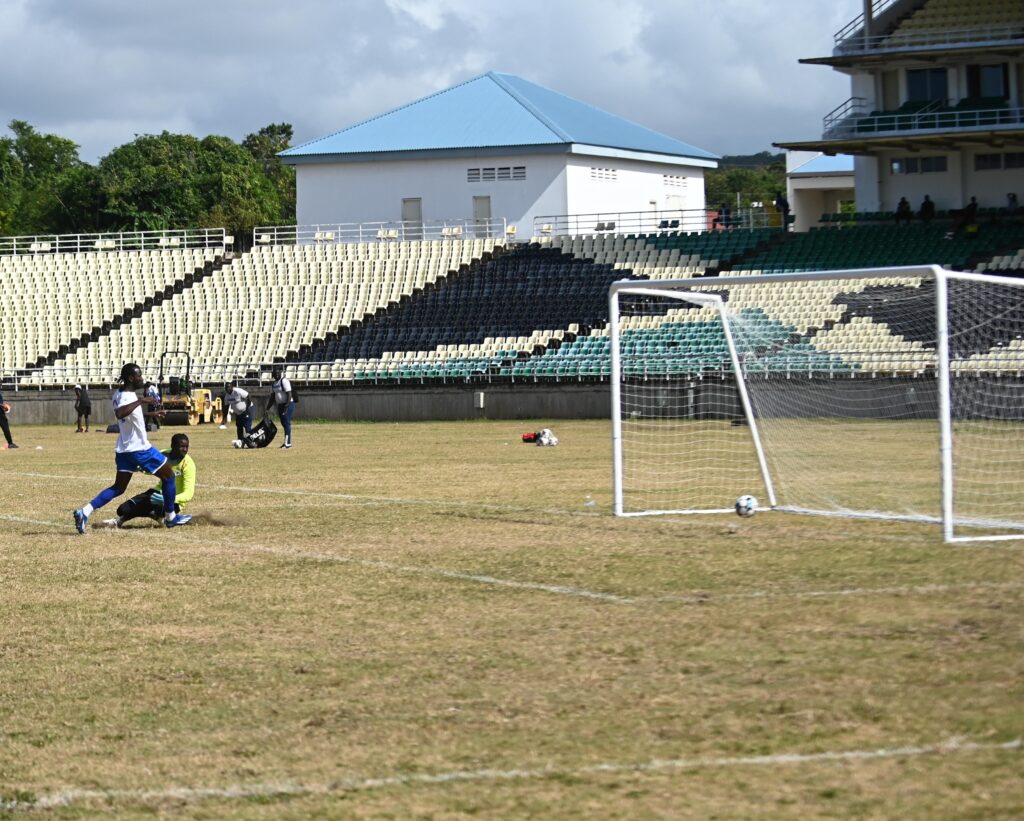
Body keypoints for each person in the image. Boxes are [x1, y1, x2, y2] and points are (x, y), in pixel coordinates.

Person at [72, 363, 191, 533]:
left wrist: (150, 414)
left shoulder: (119, 394)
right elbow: (120, 413)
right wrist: (142, 400)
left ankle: (85, 511)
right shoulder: (127, 397)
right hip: (139, 449)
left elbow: (130, 415)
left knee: (118, 488)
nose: (142, 378)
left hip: (124, 450)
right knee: (169, 476)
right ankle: (171, 517)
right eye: (139, 375)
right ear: (131, 378)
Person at [102, 433, 195, 528]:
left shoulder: (188, 464)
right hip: (157, 492)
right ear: (173, 446)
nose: (185, 450)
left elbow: (189, 493)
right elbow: (151, 469)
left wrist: (170, 499)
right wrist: (140, 468)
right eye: (182, 446)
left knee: (148, 506)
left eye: (187, 447)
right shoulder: (163, 455)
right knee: (122, 509)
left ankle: (118, 521)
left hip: (175, 503)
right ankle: (156, 516)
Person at [265, 365, 295, 449]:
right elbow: (272, 397)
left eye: (278, 373)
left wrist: (286, 406)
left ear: (281, 373)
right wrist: (268, 408)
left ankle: (288, 444)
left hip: (288, 404)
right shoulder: (274, 384)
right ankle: (286, 442)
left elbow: (289, 394)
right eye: (275, 373)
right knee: (283, 423)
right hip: (280, 405)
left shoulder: (284, 381)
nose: (276, 375)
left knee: (286, 422)